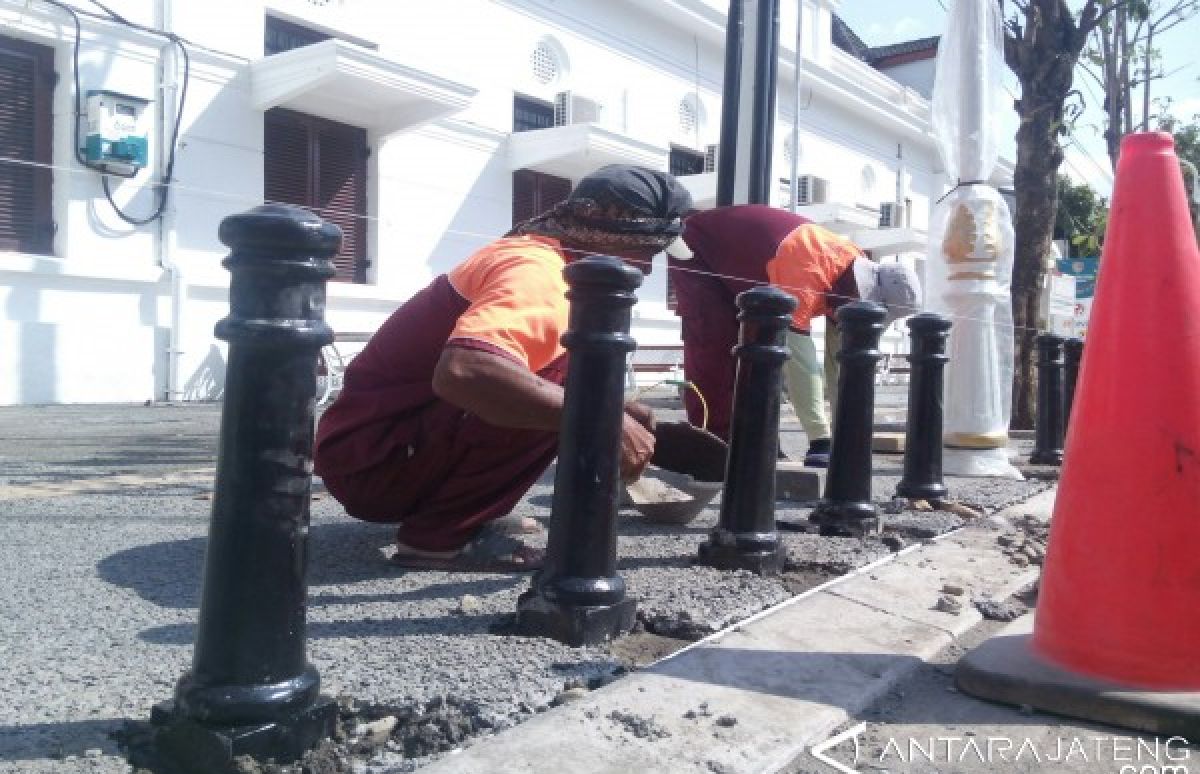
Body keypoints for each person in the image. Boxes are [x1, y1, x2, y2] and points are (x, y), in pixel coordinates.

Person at [314, 165, 694, 572]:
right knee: (557, 396)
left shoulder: (544, 255)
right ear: (611, 236)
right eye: (648, 252)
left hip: (377, 446)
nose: (650, 270)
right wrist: (605, 419)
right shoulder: (540, 273)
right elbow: (467, 372)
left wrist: (615, 408)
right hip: (374, 463)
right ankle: (440, 537)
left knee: (570, 393)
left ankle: (472, 510)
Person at [666, 204, 921, 467]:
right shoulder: (807, 268)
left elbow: (843, 363)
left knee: (760, 358)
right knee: (716, 349)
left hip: (756, 270)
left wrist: (846, 434)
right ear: (861, 289)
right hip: (699, 248)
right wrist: (820, 440)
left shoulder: (849, 271)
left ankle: (756, 444)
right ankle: (713, 448)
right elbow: (802, 363)